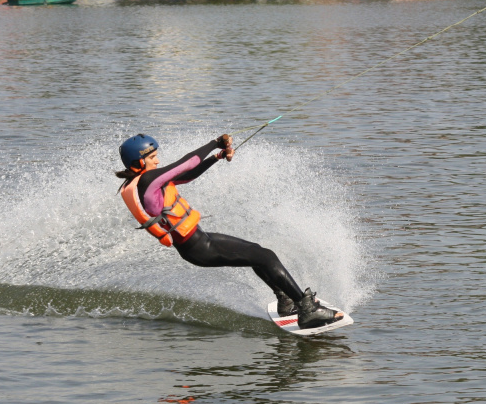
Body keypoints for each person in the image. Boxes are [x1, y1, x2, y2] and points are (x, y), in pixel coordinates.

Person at [115, 134, 343, 330]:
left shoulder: (148, 182)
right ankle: (307, 310)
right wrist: (215, 142)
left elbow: (187, 175)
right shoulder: (147, 179)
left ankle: (285, 301)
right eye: (152, 157)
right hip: (199, 248)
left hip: (200, 241)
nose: (158, 160)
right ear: (139, 162)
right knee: (266, 257)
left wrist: (217, 157)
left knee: (257, 252)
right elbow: (185, 164)